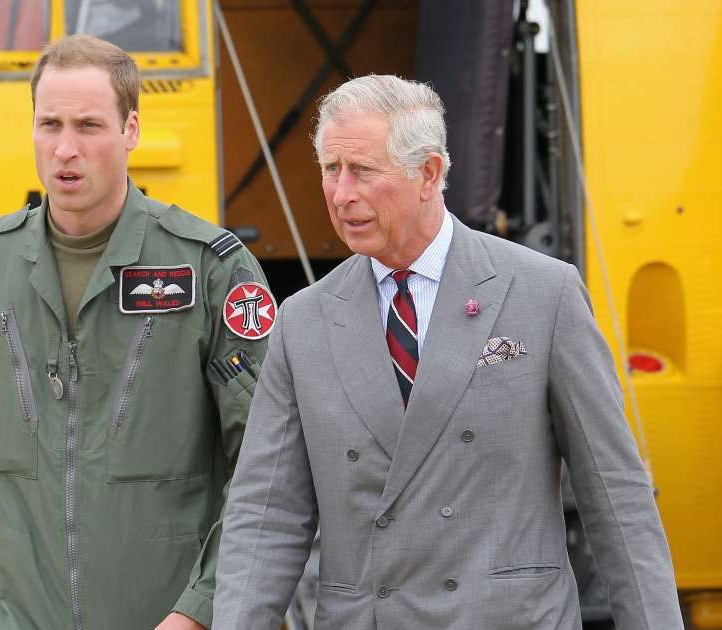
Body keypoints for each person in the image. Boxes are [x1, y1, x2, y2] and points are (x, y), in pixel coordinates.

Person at [213, 75, 682, 629]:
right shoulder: (303, 320)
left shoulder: (542, 293)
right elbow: (266, 515)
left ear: (429, 173)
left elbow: (616, 494)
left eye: (362, 170)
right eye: (329, 170)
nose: (341, 194)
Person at [0, 35, 274, 630]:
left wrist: (200, 608)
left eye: (90, 125)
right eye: (50, 124)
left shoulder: (210, 268)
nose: (65, 149)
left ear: (131, 130)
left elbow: (266, 465)